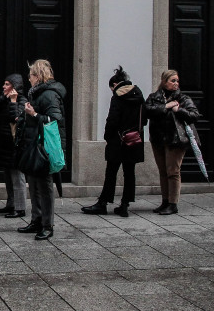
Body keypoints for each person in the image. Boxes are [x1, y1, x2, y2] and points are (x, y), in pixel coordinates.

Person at [82, 66, 145, 217]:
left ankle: (103, 203)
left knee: (111, 172)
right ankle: (124, 204)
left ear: (115, 85)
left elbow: (112, 119)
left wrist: (107, 136)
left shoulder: (117, 97)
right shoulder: (139, 95)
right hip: (134, 139)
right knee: (129, 173)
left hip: (118, 141)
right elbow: (144, 117)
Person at [15, 60, 65, 239]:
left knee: (45, 187)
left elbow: (54, 120)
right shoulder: (36, 93)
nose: (28, 79)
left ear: (37, 76)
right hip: (33, 144)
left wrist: (33, 114)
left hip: (43, 147)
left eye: (30, 75)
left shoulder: (49, 95)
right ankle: (36, 220)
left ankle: (47, 225)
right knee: (34, 185)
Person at [143, 69, 201, 216]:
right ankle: (165, 200)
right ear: (164, 81)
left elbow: (194, 115)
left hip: (176, 140)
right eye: (172, 81)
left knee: (173, 171)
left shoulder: (183, 98)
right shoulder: (154, 97)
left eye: (177, 81)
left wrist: (178, 110)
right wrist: (165, 107)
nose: (176, 84)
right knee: (163, 171)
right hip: (158, 139)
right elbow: (146, 111)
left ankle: (173, 203)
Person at [0, 73, 27, 219]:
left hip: (16, 145)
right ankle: (10, 204)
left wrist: (13, 101)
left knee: (18, 177)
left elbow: (16, 119)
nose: (3, 86)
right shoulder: (5, 100)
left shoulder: (22, 100)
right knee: (8, 176)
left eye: (7, 84)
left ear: (15, 87)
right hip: (5, 144)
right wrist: (4, 98)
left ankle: (20, 207)